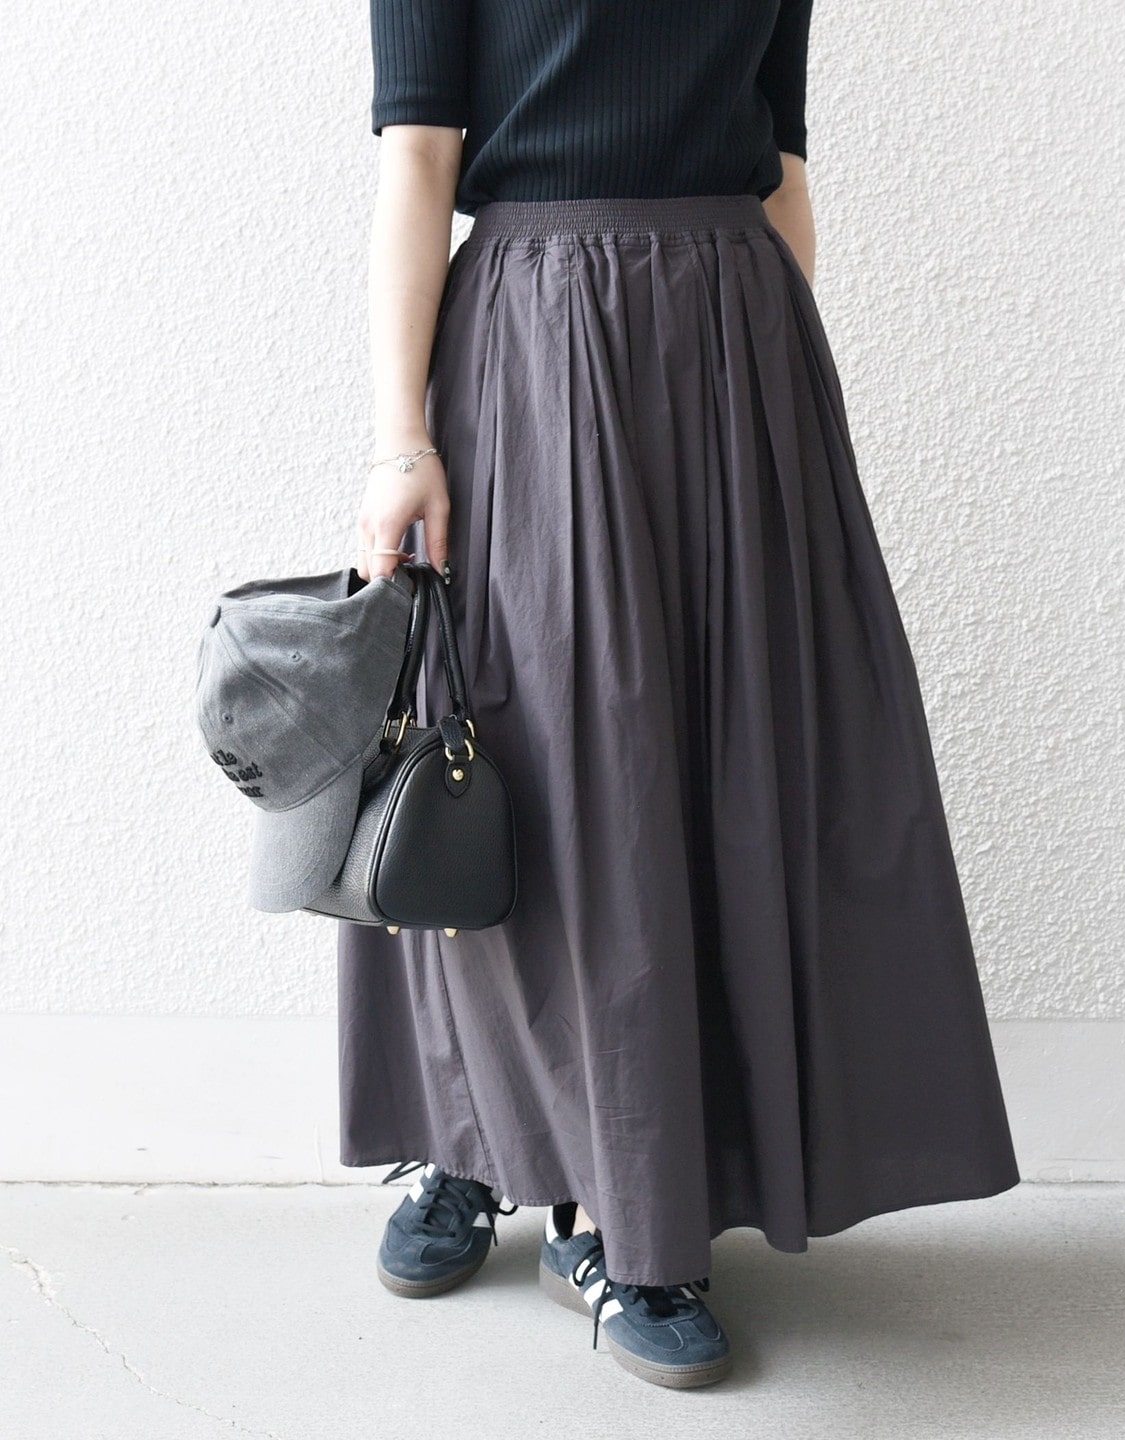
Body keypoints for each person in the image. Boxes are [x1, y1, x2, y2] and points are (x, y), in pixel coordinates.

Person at [341, 0, 1021, 1391]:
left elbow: (780, 164)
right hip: (537, 336)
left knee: (707, 765)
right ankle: (474, 1143)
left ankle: (628, 1213)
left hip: (735, 345)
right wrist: (402, 436)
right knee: (521, 756)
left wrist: (767, 396)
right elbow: (418, 155)